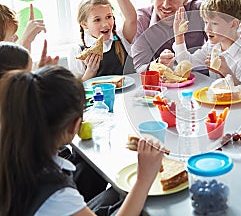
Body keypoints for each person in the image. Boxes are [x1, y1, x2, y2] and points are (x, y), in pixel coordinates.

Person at [0, 66, 164, 216]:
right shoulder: (56, 195)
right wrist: (144, 178)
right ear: (75, 126)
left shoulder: (12, 152)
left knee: (116, 194)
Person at [68, 0, 137, 81]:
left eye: (109, 17)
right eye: (97, 20)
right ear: (84, 24)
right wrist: (91, 71)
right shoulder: (77, 51)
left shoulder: (121, 38)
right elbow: (77, 91)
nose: (105, 24)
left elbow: (131, 19)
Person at [131, 0, 207, 73]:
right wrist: (158, 64)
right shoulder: (141, 21)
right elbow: (140, 68)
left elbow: (219, 48)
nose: (166, 5)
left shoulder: (199, 11)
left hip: (200, 81)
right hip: (163, 86)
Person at [173, 0, 241, 82]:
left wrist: (225, 72)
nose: (207, 29)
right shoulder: (212, 46)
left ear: (233, 24)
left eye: (214, 23)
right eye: (206, 22)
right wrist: (179, 36)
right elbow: (188, 63)